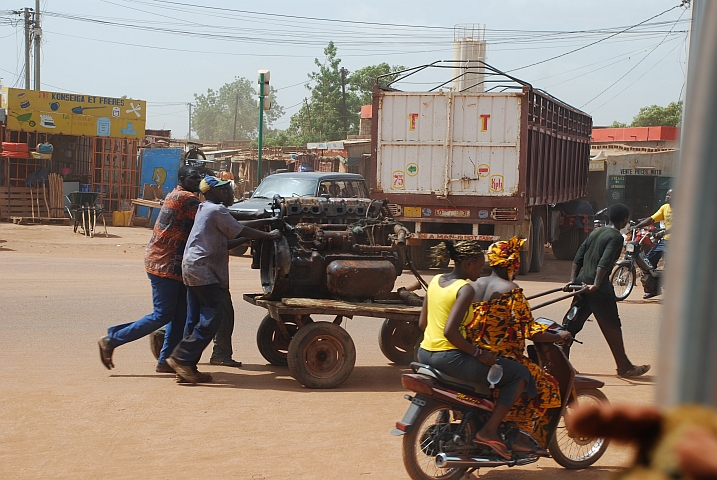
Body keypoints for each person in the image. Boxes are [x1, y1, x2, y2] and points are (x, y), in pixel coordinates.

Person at [417, 240, 534, 460]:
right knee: (519, 374)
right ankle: (488, 430)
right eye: (479, 266)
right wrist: (479, 354)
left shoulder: (434, 281)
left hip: (424, 353)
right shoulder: (464, 289)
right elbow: (450, 332)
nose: (481, 272)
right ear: (468, 263)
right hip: (449, 357)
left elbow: (423, 324)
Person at [166, 176, 281, 383]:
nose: (228, 193)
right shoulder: (216, 210)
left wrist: (267, 222)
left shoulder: (205, 208)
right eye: (223, 190)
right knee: (213, 316)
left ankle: (186, 367)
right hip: (204, 270)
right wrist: (270, 236)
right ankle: (181, 357)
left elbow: (233, 232)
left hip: (192, 267)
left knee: (194, 319)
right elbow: (241, 228)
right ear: (211, 193)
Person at [465, 237, 571, 455]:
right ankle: (522, 438)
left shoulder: (472, 286)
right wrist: (559, 335)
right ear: (511, 262)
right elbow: (529, 330)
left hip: (473, 353)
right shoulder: (512, 290)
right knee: (548, 385)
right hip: (503, 358)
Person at [98, 166, 202, 373]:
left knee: (179, 315)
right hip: (165, 264)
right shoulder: (186, 198)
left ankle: (165, 361)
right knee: (162, 315)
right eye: (192, 177)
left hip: (172, 263)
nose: (197, 180)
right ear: (182, 179)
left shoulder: (176, 194)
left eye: (199, 177)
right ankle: (112, 339)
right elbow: (212, 216)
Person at [562, 203, 650, 378]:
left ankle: (560, 363)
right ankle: (624, 366)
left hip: (581, 284)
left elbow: (579, 256)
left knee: (571, 323)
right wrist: (596, 284)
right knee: (612, 325)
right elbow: (605, 261)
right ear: (625, 220)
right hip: (598, 288)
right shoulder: (616, 237)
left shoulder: (596, 232)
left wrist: (573, 281)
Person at [633, 189, 672, 299]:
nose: (667, 197)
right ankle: (653, 289)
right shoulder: (665, 208)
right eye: (667, 194)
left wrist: (664, 232)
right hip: (665, 241)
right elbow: (652, 219)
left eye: (670, 195)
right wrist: (637, 226)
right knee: (648, 262)